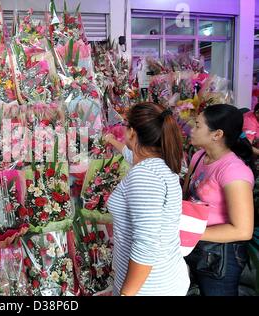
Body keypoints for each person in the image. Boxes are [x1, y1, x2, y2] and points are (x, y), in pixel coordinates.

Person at [106, 102, 190, 296]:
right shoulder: (158, 164)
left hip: (149, 288)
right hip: (161, 280)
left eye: (125, 125)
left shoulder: (145, 175)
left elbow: (146, 245)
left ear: (133, 132)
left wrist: (127, 294)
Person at [184, 104, 255, 296]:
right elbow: (187, 199)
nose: (192, 129)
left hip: (220, 256)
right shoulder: (199, 157)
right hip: (195, 247)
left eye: (198, 126)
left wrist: (189, 232)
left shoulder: (234, 171)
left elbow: (243, 230)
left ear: (217, 134)